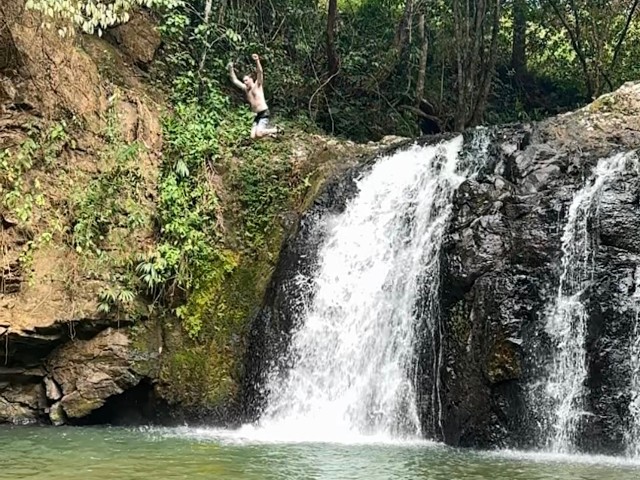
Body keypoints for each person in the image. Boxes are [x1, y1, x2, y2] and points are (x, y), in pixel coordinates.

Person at [228, 54, 281, 139]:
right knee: (253, 136)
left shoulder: (258, 85)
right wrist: (231, 68)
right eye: (244, 81)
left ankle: (276, 130)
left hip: (264, 112)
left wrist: (257, 61)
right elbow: (234, 80)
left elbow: (260, 72)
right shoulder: (246, 89)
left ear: (251, 79)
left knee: (259, 134)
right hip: (257, 114)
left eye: (246, 80)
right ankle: (270, 134)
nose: (245, 82)